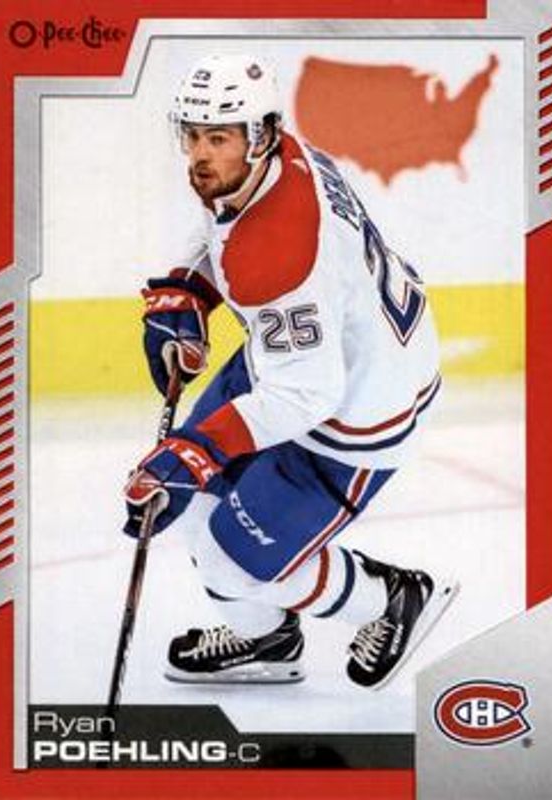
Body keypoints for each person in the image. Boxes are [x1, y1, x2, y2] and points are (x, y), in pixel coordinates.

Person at [124, 53, 457, 689]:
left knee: (233, 560)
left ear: (262, 134)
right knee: (192, 507)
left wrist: (198, 449)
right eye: (192, 135)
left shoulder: (278, 254)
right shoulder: (272, 161)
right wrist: (187, 287)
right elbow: (225, 231)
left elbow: (308, 395)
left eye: (218, 138)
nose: (200, 155)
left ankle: (390, 599)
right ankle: (269, 640)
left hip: (355, 412)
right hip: (308, 357)